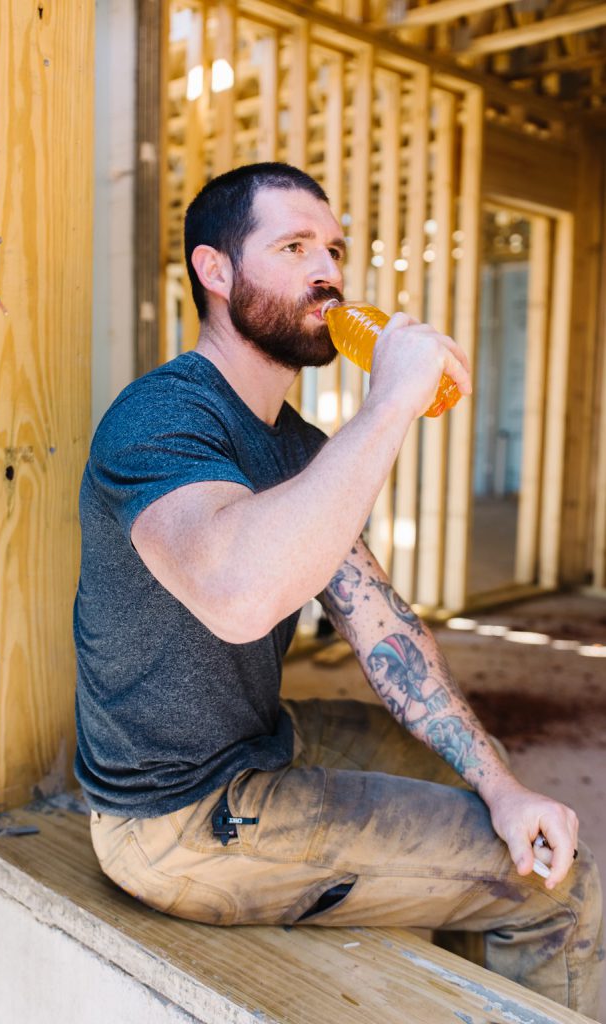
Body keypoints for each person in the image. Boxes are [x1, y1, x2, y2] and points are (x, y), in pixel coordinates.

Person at [74, 162, 603, 1016]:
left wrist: (502, 786)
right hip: (175, 823)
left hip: (260, 742)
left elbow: (383, 633)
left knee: (480, 782)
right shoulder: (159, 416)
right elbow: (237, 593)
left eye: (334, 250)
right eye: (292, 247)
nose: (328, 272)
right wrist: (391, 400)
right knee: (558, 889)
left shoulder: (299, 443)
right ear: (216, 271)